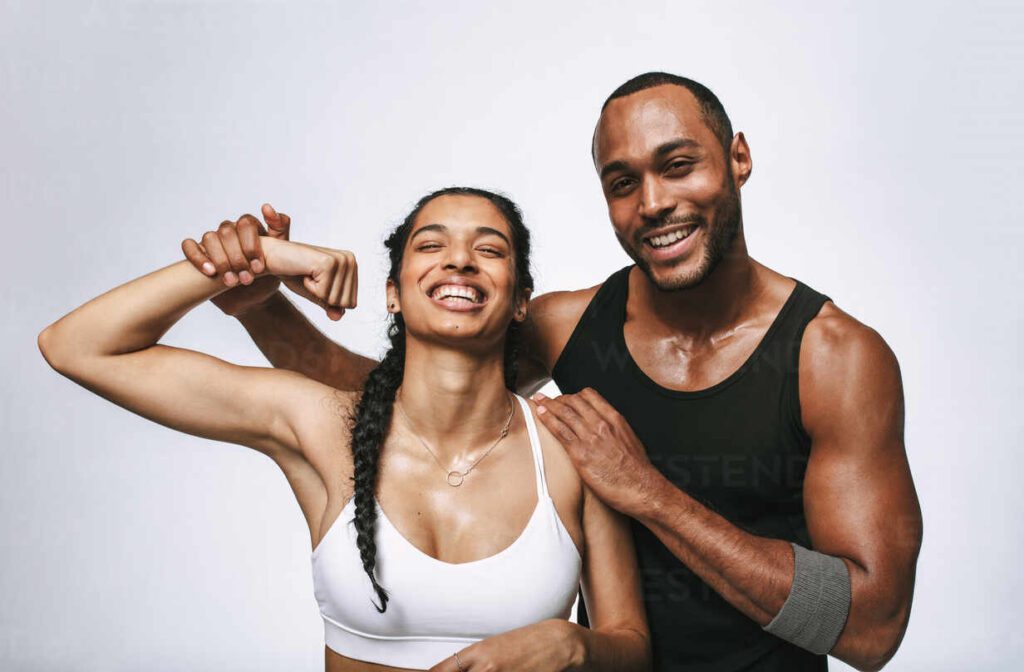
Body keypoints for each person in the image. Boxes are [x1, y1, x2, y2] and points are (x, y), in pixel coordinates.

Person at [182, 74, 923, 672]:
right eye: (622, 181)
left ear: (737, 158)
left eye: (678, 165)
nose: (654, 203)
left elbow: (872, 627)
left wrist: (653, 497)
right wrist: (261, 310)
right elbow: (401, 402)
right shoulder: (571, 326)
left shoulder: (832, 358)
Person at [37, 187, 651, 672]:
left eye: (489, 249)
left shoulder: (573, 442)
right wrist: (262, 261)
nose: (459, 259)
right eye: (431, 246)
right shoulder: (324, 425)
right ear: (393, 294)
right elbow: (77, 347)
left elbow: (632, 646)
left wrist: (574, 646)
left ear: (520, 300)